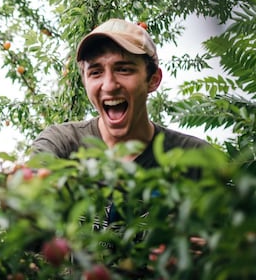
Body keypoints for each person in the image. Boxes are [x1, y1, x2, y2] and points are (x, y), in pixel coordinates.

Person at [32, 18, 210, 169]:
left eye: (124, 69)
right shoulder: (62, 144)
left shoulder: (196, 160)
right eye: (95, 72)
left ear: (153, 79)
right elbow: (32, 181)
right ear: (85, 82)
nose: (109, 86)